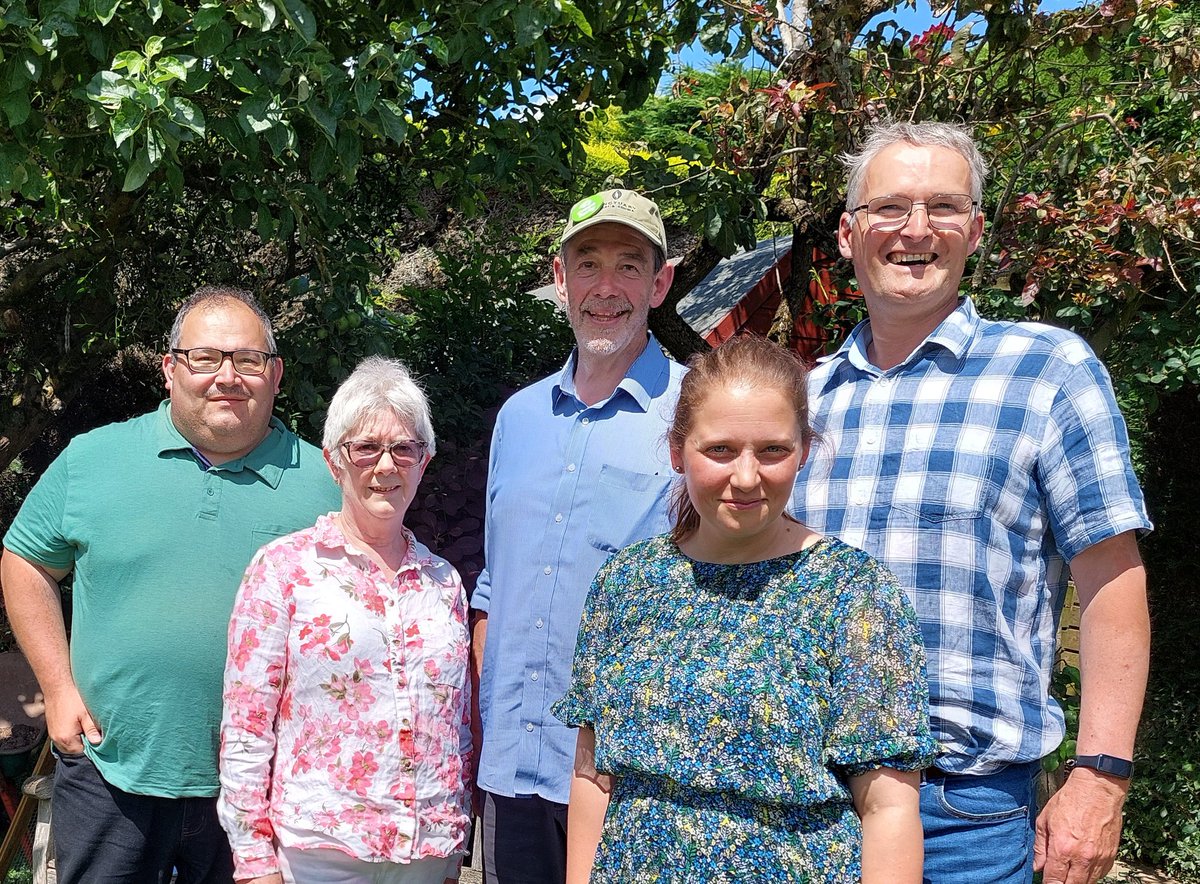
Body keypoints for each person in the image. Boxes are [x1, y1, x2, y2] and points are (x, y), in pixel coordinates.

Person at [791, 120, 1153, 884]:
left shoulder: (1048, 369)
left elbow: (1113, 580)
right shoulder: (802, 398)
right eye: (890, 208)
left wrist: (1101, 776)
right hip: (802, 800)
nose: (915, 230)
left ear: (976, 230)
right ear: (850, 233)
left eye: (943, 207)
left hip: (965, 812)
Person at [552, 334, 937, 883]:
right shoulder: (628, 582)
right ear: (676, 450)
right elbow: (593, 774)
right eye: (720, 450)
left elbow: (889, 807)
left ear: (804, 450)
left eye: (773, 450)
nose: (747, 477)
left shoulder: (853, 593)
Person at [1, 286, 341, 884]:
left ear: (276, 374)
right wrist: (56, 687)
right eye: (204, 358)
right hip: (110, 765)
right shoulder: (94, 460)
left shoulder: (325, 482)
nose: (227, 377)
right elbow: (25, 561)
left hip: (269, 781)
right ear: (169, 369)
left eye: (249, 360)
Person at [470, 189, 683, 884]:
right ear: (559, 279)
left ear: (660, 283)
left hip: (631, 773)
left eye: (629, 266)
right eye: (586, 263)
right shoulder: (519, 417)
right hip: (513, 767)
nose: (605, 287)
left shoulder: (699, 413)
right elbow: (494, 589)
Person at [217, 356, 472, 884]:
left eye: (404, 448)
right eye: (366, 448)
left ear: (424, 462)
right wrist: (253, 861)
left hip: (426, 852)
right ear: (335, 462)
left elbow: (458, 728)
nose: (386, 466)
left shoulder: (444, 581)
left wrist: (452, 843)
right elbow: (245, 729)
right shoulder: (284, 570)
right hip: (321, 855)